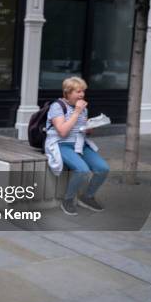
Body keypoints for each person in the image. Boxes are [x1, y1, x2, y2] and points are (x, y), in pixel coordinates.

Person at [45, 76, 110, 216]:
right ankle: (67, 200)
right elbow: (62, 131)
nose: (82, 95)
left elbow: (84, 130)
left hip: (80, 144)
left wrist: (90, 127)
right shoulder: (57, 106)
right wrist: (76, 112)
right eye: (78, 91)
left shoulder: (82, 108)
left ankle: (87, 197)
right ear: (67, 92)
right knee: (82, 170)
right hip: (62, 144)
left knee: (103, 168)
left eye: (83, 91)